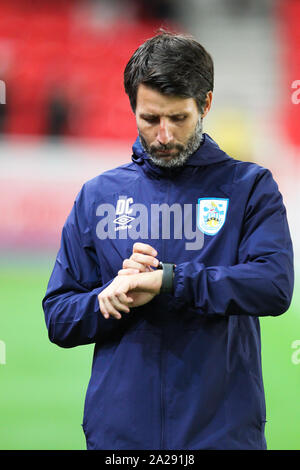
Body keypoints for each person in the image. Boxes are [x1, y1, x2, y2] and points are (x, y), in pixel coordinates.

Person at [42, 31, 294, 450]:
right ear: (133, 108)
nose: (164, 135)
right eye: (150, 118)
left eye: (178, 118)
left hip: (221, 436)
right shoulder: (98, 195)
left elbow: (274, 285)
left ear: (206, 104)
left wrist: (171, 281)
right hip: (119, 439)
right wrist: (108, 299)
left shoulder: (251, 188)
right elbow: (59, 316)